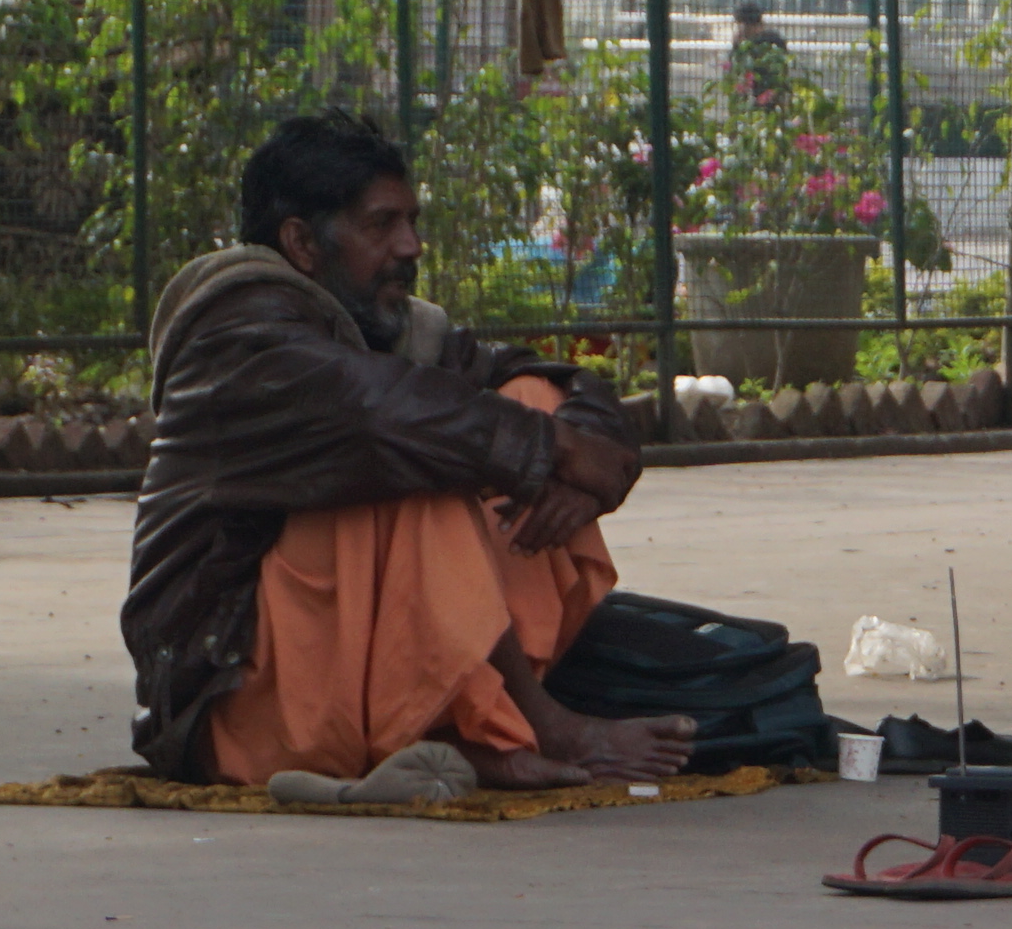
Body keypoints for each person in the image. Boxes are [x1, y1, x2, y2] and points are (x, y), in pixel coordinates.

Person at [120, 112, 675, 803]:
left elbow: (554, 383)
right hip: (231, 705)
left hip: (332, 679)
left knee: (527, 398)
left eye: (411, 221)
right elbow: (379, 415)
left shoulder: (390, 326)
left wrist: (588, 466)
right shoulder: (236, 333)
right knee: (422, 454)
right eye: (381, 226)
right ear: (301, 242)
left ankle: (471, 715)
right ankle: (535, 725)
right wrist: (556, 452)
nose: (410, 246)